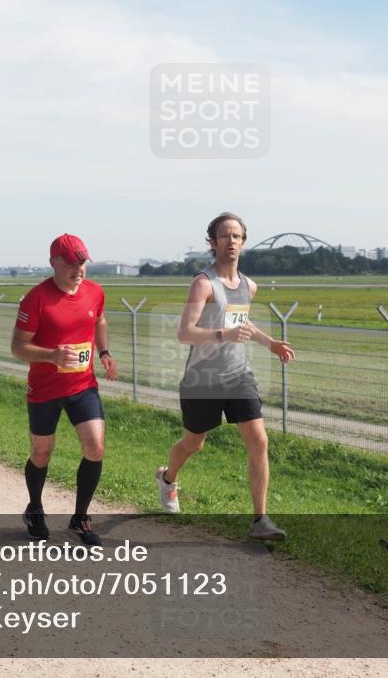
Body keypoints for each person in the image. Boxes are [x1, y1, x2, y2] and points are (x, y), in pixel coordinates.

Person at [156, 212, 295, 541]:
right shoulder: (203, 283)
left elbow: (242, 326)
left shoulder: (249, 285)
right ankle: (167, 478)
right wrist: (222, 335)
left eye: (236, 236)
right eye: (224, 236)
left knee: (259, 440)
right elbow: (184, 333)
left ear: (243, 242)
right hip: (201, 380)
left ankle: (260, 520)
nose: (231, 241)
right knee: (194, 443)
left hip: (238, 376)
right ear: (213, 242)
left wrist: (269, 343)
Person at [11, 233, 118, 546]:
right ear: (53, 263)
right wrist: (52, 355)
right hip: (44, 388)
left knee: (95, 446)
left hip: (82, 385)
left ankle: (80, 518)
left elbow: (99, 321)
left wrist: (104, 353)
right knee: (42, 452)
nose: (78, 268)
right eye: (70, 262)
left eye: (82, 261)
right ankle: (35, 509)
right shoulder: (37, 298)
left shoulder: (95, 292)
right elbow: (18, 347)